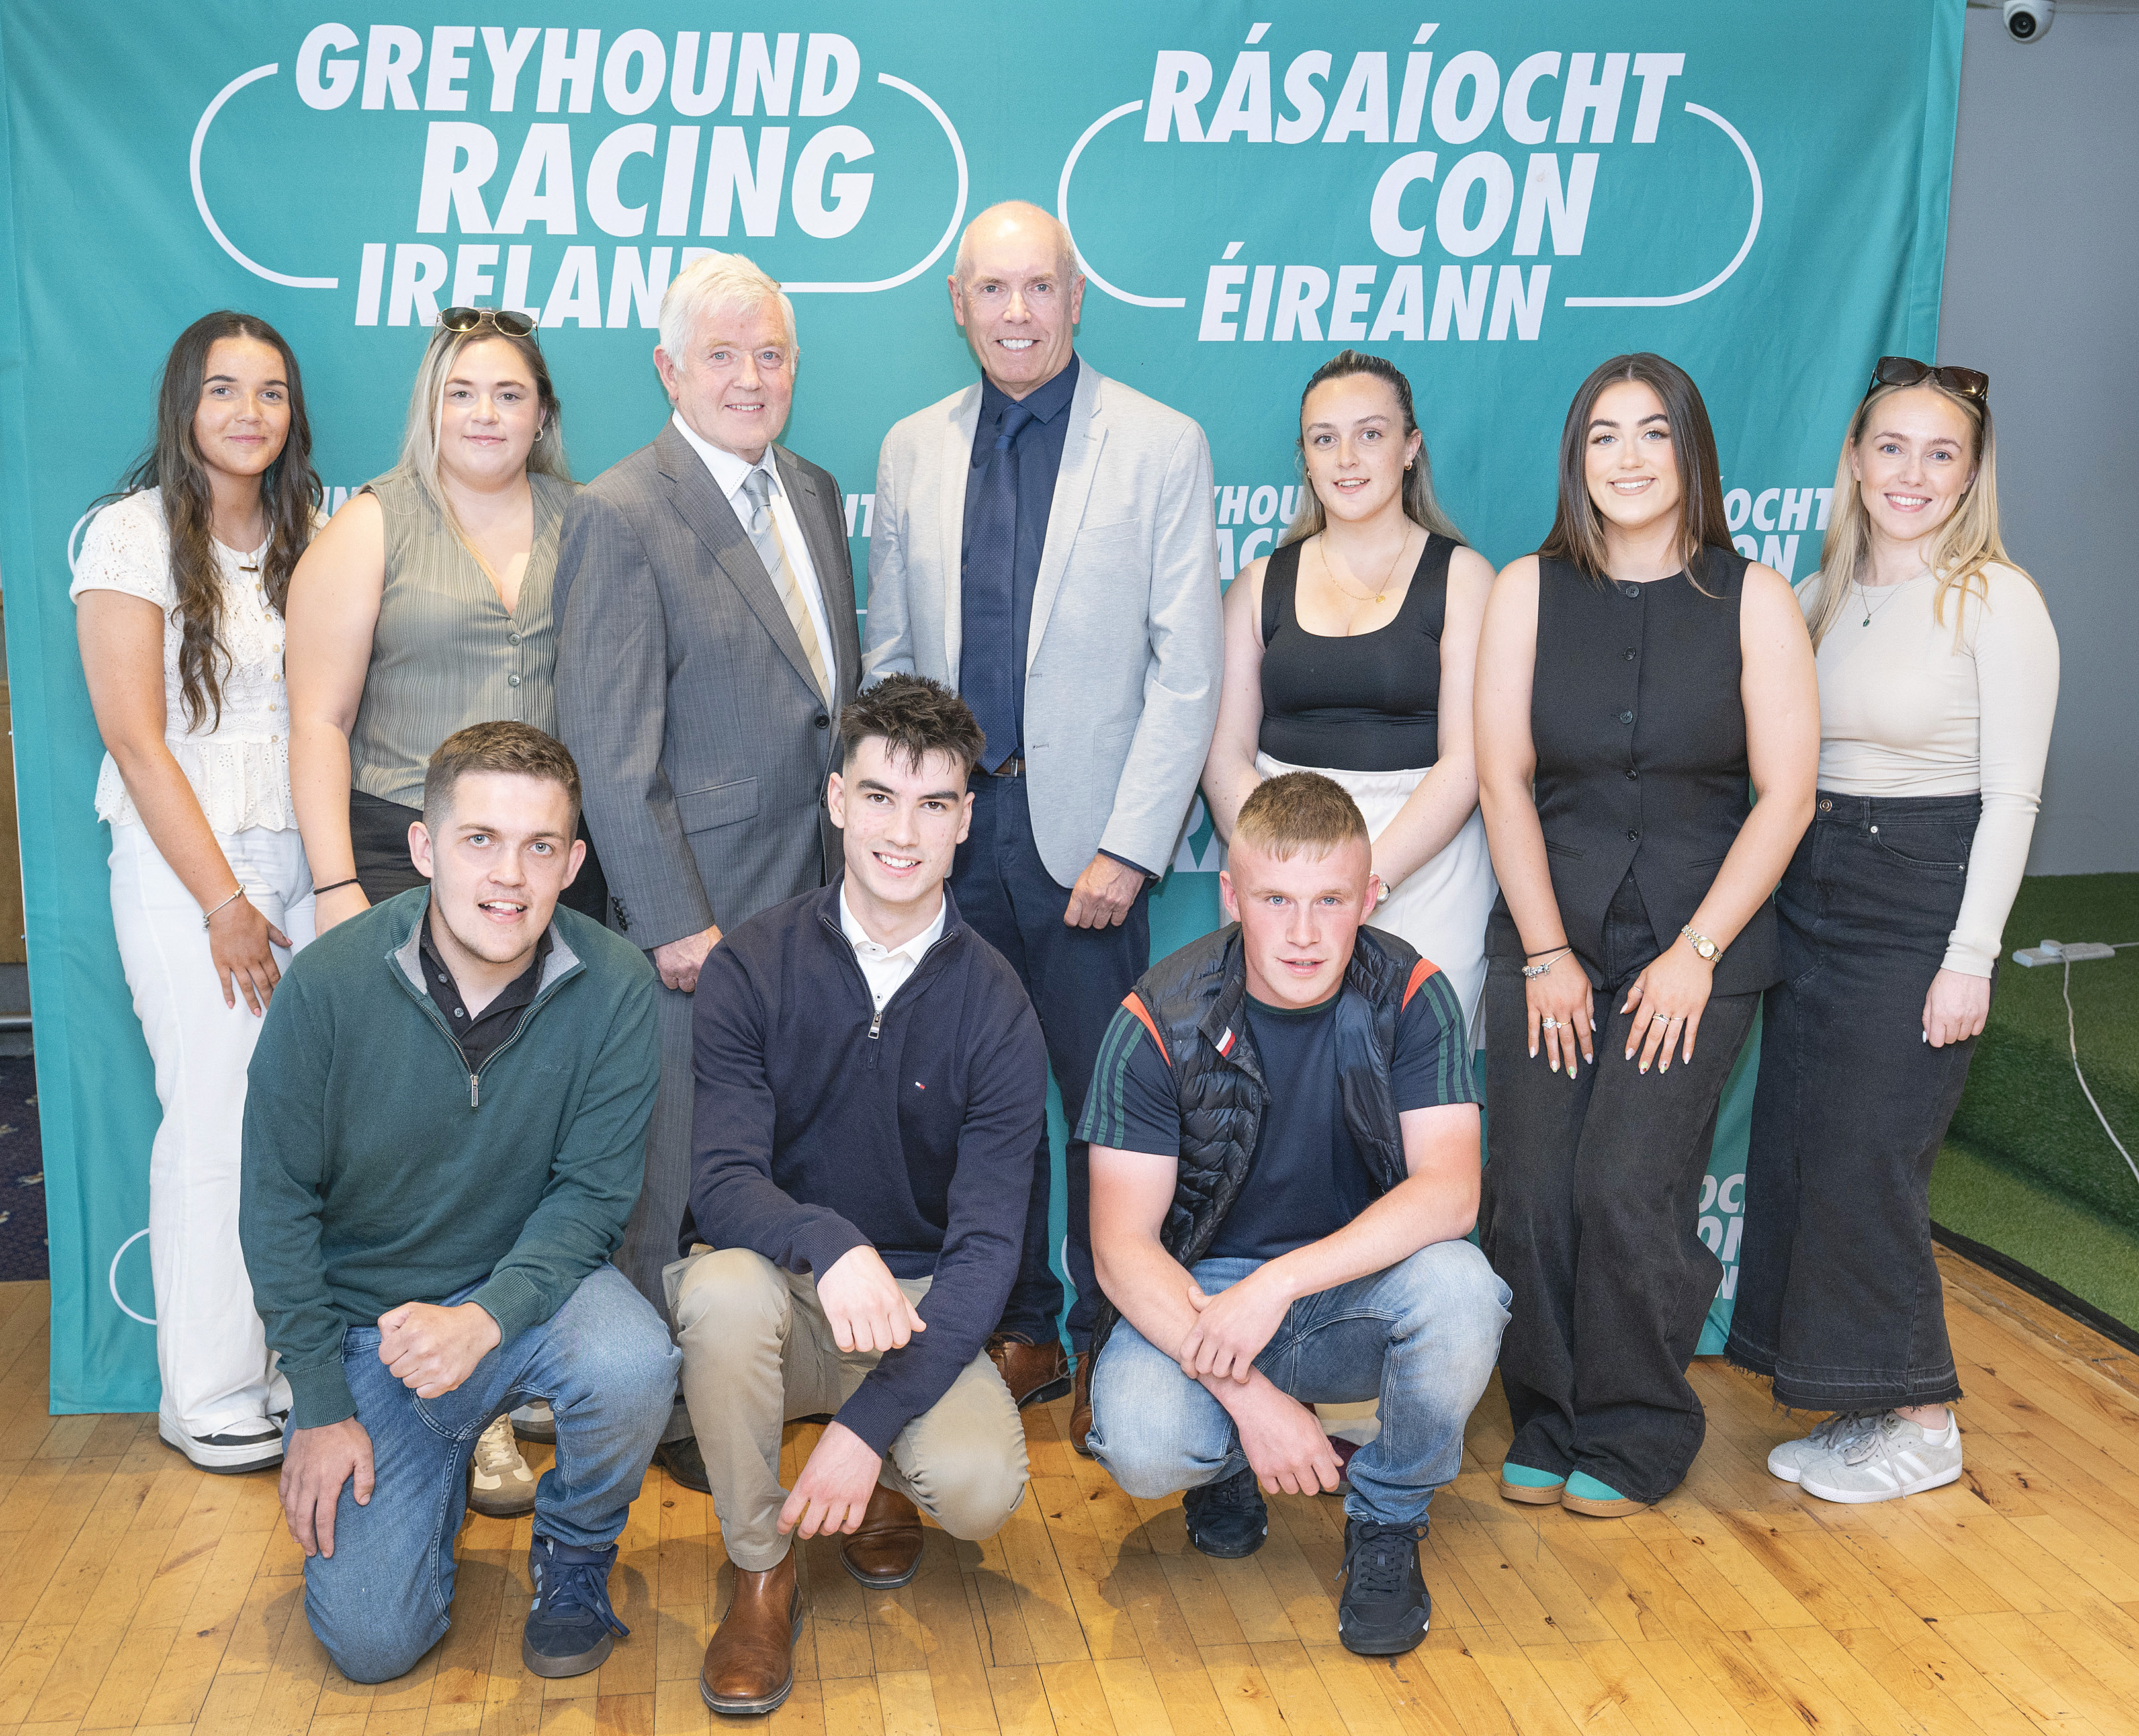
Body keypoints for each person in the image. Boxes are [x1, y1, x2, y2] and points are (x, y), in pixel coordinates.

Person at [865, 200, 1224, 1436]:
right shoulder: (911, 446)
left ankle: (1112, 1344)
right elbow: (890, 655)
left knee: (1104, 1103)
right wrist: (901, 828)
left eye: (1039, 287)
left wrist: (1130, 841)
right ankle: (1012, 1327)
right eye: (992, 290)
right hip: (947, 841)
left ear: (1077, 300)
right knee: (970, 1100)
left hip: (1086, 845)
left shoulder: (1161, 443)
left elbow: (1189, 667)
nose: (1016, 311)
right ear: (955, 305)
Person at [240, 722, 676, 1686]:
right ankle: (432, 1473)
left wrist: (484, 1318)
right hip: (376, 1337)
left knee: (636, 1358)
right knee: (372, 1645)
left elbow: (594, 1196)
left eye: (539, 846)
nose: (509, 876)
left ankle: (574, 1555)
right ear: (425, 849)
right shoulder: (328, 984)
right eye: (479, 839)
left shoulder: (616, 986)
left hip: (525, 1298)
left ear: (573, 862)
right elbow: (275, 1206)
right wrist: (318, 1401)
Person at [1473, 353, 1818, 1516]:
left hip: (1696, 949)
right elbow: (1502, 777)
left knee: (1624, 1182)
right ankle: (1551, 1412)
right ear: (1576, 461)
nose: (1626, 457)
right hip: (1546, 939)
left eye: (1651, 432)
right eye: (1602, 436)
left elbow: (1785, 796)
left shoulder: (1754, 596)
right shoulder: (1527, 588)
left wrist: (1696, 953)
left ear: (1690, 452)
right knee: (1524, 1186)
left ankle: (1635, 1426)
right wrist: (1543, 953)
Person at [675, 675, 1043, 1715]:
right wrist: (830, 1245)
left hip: (918, 1308)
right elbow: (722, 1183)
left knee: (980, 1487)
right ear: (836, 799)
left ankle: (880, 1473)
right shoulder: (752, 965)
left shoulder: (998, 1006)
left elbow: (984, 1257)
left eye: (934, 805)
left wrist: (866, 1426)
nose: (903, 831)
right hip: (787, 1288)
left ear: (966, 820)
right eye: (880, 796)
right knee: (718, 1295)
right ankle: (760, 1566)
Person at [554, 250, 861, 1493]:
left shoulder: (819, 490)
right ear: (667, 368)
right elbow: (607, 747)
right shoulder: (622, 510)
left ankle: (790, 1378)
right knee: (674, 1161)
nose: (750, 377)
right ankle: (663, 1418)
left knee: (795, 1151)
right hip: (701, 910)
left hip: (822, 894)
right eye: (722, 355)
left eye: (771, 354)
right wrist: (672, 920)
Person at [1727, 359, 2058, 1504]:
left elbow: (2012, 794)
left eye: (1939, 454)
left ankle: (1923, 1414)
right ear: (1854, 459)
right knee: (1812, 1148)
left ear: (1970, 474)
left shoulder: (1995, 597)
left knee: (1871, 1158)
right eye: (1890, 448)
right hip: (1812, 887)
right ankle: (1862, 1396)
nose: (1909, 474)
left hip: (1917, 898)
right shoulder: (1819, 592)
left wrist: (1968, 954)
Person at [1081, 772, 1506, 1657]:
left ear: (1370, 896)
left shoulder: (1413, 993)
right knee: (1146, 1445)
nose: (1305, 933)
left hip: (1348, 1286)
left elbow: (1451, 1194)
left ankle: (1387, 1519)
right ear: (1232, 896)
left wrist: (1280, 1284)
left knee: (1464, 1292)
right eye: (1276, 899)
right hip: (1202, 1301)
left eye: (1330, 900)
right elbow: (1121, 1250)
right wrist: (1250, 1400)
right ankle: (1229, 1460)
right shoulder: (1157, 1015)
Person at [287, 304, 597, 1503]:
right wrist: (333, 884)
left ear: (543, 411)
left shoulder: (587, 522)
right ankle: (411, 1380)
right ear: (432, 402)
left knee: (529, 1122)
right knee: (420, 1133)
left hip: (546, 864)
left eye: (510, 393)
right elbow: (316, 716)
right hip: (398, 850)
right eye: (463, 390)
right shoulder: (368, 525)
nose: (486, 413)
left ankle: (517, 1376)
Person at [71, 310, 320, 1474]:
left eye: (270, 392)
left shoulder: (309, 527)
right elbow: (134, 736)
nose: (247, 413)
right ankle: (206, 1386)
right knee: (216, 1112)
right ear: (184, 405)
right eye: (223, 390)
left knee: (296, 1125)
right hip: (190, 872)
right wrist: (225, 899)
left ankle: (280, 1361)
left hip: (303, 857)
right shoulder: (128, 537)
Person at [1203, 348, 1498, 1040]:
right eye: (1323, 438)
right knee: (1272, 1087)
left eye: (1370, 433)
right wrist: (1291, 874)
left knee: (1411, 1092)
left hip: (1423, 866)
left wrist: (1364, 881)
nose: (1346, 457)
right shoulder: (1255, 585)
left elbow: (1466, 764)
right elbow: (1221, 755)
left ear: (1409, 449)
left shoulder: (1463, 578)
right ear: (1303, 456)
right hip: (1280, 865)